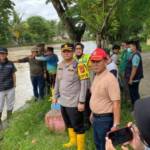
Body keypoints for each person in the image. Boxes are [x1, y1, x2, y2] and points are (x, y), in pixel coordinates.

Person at [53, 43, 88, 150]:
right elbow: (57, 82)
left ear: (73, 52)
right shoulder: (60, 65)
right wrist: (55, 95)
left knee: (78, 125)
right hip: (62, 101)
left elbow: (84, 83)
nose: (66, 53)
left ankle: (80, 147)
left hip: (74, 102)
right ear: (61, 53)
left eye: (69, 51)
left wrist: (81, 101)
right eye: (64, 51)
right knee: (68, 123)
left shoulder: (80, 65)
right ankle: (72, 142)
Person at [89, 48, 121, 150]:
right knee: (98, 144)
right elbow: (96, 97)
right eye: (93, 61)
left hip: (105, 120)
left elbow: (116, 103)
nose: (95, 64)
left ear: (105, 61)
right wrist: (92, 113)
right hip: (96, 118)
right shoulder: (97, 76)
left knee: (105, 147)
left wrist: (115, 124)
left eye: (98, 61)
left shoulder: (110, 79)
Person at [74, 42, 91, 130]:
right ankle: (81, 121)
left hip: (86, 85)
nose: (78, 50)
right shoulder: (72, 58)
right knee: (78, 105)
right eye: (76, 49)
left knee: (86, 105)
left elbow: (93, 71)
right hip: (75, 87)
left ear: (82, 50)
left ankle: (87, 123)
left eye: (79, 48)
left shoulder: (88, 57)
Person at [0, 47, 17, 129]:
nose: (2, 55)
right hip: (0, 90)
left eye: (4, 53)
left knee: (10, 105)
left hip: (10, 88)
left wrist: (14, 85)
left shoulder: (10, 63)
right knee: (0, 106)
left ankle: (9, 120)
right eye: (1, 53)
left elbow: (13, 74)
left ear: (7, 54)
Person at [125, 41, 143, 108]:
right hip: (133, 78)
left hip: (134, 79)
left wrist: (131, 79)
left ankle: (137, 108)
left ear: (135, 46)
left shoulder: (135, 55)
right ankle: (137, 107)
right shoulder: (133, 54)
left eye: (130, 46)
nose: (129, 48)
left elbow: (134, 68)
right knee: (134, 93)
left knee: (134, 94)